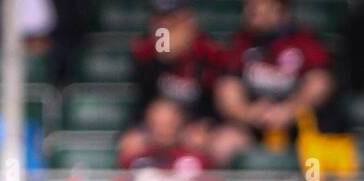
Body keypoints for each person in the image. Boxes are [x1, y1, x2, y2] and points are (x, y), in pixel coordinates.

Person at [212, 0, 339, 167]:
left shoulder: (304, 40)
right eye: (248, 4)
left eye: (259, 4)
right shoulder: (240, 42)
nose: (251, 8)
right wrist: (247, 112)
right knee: (222, 143)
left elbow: (320, 84)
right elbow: (227, 89)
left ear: (279, 7)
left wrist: (290, 109)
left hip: (302, 127)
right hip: (255, 126)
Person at [123, 0, 229, 163]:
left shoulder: (208, 51)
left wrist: (204, 124)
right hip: (154, 124)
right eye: (161, 21)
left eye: (173, 21)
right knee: (131, 143)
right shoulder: (145, 51)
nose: (166, 27)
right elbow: (144, 96)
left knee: (202, 142)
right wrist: (163, 58)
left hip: (195, 122)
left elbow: (215, 100)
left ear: (189, 22)